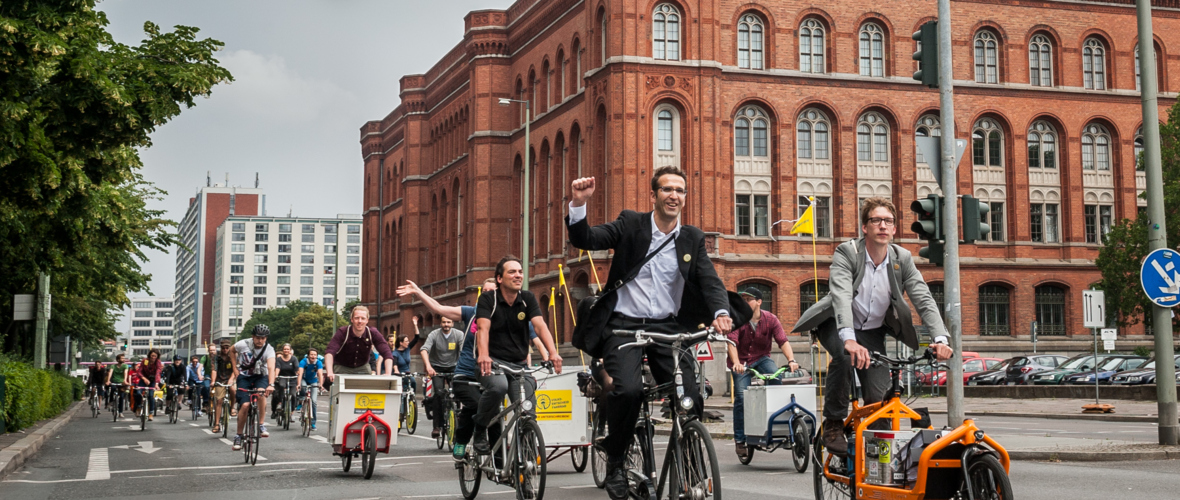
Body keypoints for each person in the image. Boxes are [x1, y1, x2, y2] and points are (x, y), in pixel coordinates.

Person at [565, 167, 738, 500]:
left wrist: (720, 312)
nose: (674, 195)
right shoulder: (631, 224)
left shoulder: (691, 237)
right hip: (624, 325)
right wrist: (578, 203)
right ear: (654, 195)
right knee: (627, 391)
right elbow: (586, 240)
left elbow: (710, 280)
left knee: (690, 394)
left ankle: (690, 461)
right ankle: (616, 459)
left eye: (680, 190)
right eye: (667, 189)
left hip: (667, 326)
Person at [792, 197, 954, 456]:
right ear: (865, 227)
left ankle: (877, 462)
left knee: (878, 403)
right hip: (837, 324)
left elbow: (923, 298)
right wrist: (849, 339)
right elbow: (842, 296)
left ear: (894, 229)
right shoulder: (848, 252)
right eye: (875, 220)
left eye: (888, 221)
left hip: (873, 331)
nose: (882, 226)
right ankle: (833, 424)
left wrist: (941, 339)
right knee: (845, 358)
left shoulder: (902, 258)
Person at [471, 256, 562, 456]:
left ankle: (526, 461)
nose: (518, 275)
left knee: (528, 411)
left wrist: (553, 352)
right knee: (499, 387)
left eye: (520, 271)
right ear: (499, 278)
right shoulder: (488, 299)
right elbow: (483, 329)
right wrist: (484, 355)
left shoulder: (527, 298)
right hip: (492, 363)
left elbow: (539, 325)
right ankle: (479, 428)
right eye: (512, 272)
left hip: (519, 364)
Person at [726, 287, 799, 457]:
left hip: (761, 358)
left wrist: (791, 360)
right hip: (741, 361)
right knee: (742, 397)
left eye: (749, 299)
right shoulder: (738, 319)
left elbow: (783, 341)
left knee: (776, 379)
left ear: (759, 302)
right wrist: (736, 363)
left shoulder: (771, 319)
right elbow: (731, 343)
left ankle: (774, 427)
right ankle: (740, 440)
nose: (745, 302)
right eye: (743, 299)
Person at [418, 315, 464, 439]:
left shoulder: (459, 335)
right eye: (444, 322)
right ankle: (437, 426)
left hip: (454, 367)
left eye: (448, 322)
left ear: (453, 323)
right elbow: (424, 350)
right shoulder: (434, 334)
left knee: (459, 391)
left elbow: (463, 351)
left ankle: (458, 416)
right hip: (436, 368)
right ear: (441, 323)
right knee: (438, 393)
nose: (446, 324)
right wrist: (428, 366)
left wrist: (463, 367)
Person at [233, 325, 276, 450]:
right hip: (244, 377)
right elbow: (231, 351)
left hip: (260, 376)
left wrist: (271, 384)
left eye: (263, 338)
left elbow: (271, 367)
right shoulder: (243, 344)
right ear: (253, 337)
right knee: (245, 405)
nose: (260, 341)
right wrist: (235, 368)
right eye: (258, 338)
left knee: (261, 393)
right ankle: (238, 435)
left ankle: (261, 424)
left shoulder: (269, 349)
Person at [324, 306, 395, 382]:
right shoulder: (343, 332)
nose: (360, 321)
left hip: (362, 366)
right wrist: (330, 372)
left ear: (367, 320)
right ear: (352, 319)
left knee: (368, 389)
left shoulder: (372, 333)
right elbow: (329, 352)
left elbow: (387, 353)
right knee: (339, 389)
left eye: (363, 318)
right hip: (342, 366)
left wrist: (388, 373)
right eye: (357, 318)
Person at [209, 338, 238, 434]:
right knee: (219, 400)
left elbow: (235, 369)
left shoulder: (233, 356)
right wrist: (213, 381)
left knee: (233, 390)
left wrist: (231, 380)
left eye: (227, 348)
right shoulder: (216, 357)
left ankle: (232, 407)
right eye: (223, 348)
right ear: (220, 348)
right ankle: (216, 424)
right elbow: (214, 369)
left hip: (231, 379)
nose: (225, 350)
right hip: (220, 380)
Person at [296, 348, 325, 430]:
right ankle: (300, 401)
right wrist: (298, 384)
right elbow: (300, 373)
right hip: (304, 379)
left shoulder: (318, 362)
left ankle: (313, 423)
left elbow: (320, 373)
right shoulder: (303, 362)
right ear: (308, 355)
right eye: (311, 354)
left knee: (314, 402)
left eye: (315, 355)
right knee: (303, 386)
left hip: (313, 381)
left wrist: (321, 385)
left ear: (317, 356)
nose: (313, 356)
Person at [133, 349, 164, 421]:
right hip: (144, 379)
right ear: (149, 355)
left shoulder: (158, 362)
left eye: (155, 356)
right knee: (138, 393)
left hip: (153, 380)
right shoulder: (145, 361)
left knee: (151, 395)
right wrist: (144, 379)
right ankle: (139, 406)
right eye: (152, 355)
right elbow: (139, 372)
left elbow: (158, 373)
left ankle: (151, 413)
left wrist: (156, 384)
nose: (153, 357)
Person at [271, 343, 299, 420]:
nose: (286, 350)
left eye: (287, 349)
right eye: (285, 349)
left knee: (293, 395)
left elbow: (296, 368)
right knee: (281, 386)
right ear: (282, 350)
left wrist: (297, 374)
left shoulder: (294, 359)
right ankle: (280, 403)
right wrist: (276, 375)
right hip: (282, 377)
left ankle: (292, 412)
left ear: (290, 350)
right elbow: (277, 367)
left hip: (292, 378)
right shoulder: (279, 359)